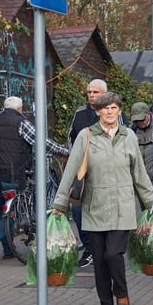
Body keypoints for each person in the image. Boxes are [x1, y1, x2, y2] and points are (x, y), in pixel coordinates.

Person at [51, 92, 153, 305]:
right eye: (105, 108)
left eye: (114, 107)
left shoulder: (129, 137)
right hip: (94, 207)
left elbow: (139, 172)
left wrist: (149, 201)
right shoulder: (86, 136)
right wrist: (60, 203)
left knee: (113, 254)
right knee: (99, 259)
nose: (109, 112)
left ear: (119, 111)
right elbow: (70, 170)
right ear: (97, 111)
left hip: (122, 206)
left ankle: (122, 296)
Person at [0, 96, 69, 264]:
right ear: (20, 109)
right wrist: (64, 151)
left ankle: (8, 251)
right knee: (12, 212)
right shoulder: (21, 122)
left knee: (3, 212)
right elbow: (41, 142)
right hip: (12, 174)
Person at [67, 79, 129, 269]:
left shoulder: (115, 114)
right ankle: (89, 249)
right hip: (83, 173)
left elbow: (123, 141)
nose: (92, 95)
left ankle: (109, 247)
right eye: (89, 92)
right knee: (77, 209)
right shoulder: (79, 114)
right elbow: (70, 139)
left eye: (96, 92)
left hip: (109, 173)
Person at [130, 101, 153, 181]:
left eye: (142, 119)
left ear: (149, 114)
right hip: (138, 181)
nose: (139, 123)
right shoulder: (130, 131)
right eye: (136, 121)